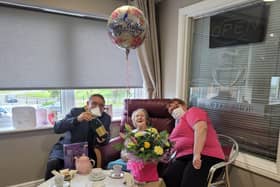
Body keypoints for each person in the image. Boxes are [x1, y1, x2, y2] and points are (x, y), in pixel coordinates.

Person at [45, 94, 111, 180]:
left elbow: (106, 137)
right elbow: (57, 128)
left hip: (86, 152)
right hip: (66, 149)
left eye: (101, 105)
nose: (97, 107)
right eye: (94, 103)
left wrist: (103, 140)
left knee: (85, 172)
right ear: (87, 104)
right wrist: (77, 119)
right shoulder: (76, 112)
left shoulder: (106, 118)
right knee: (53, 164)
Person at [163, 98, 225, 187]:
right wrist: (166, 155)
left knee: (189, 183)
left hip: (205, 156)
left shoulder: (192, 111)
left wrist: (197, 154)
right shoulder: (177, 125)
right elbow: (173, 146)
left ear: (184, 106)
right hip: (184, 157)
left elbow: (201, 128)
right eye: (171, 110)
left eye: (176, 106)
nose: (174, 110)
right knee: (169, 177)